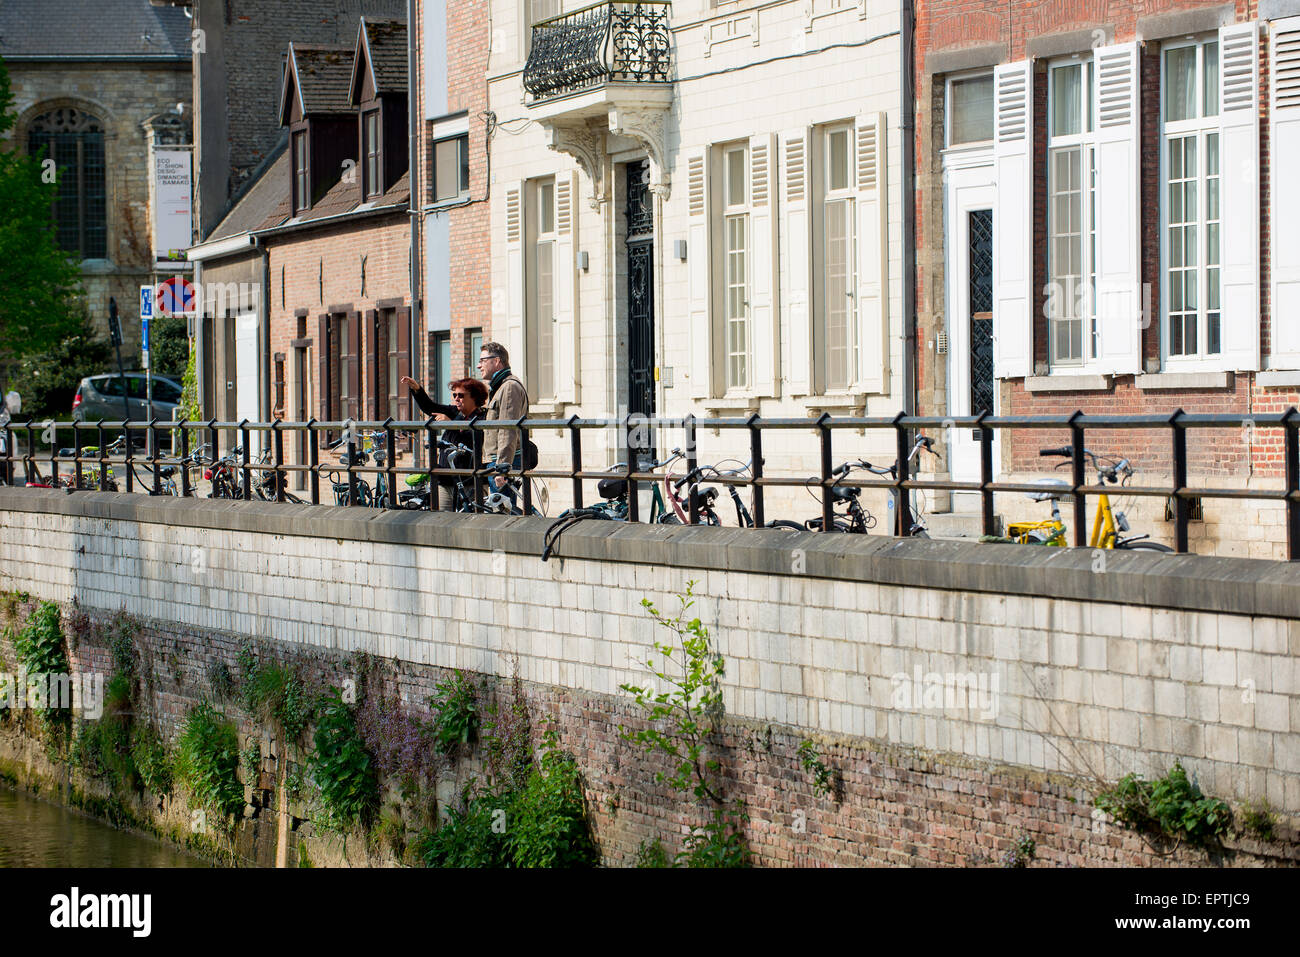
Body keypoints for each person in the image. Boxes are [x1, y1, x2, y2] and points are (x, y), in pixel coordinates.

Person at [401, 375, 487, 510]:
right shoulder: (454, 412)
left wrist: (451, 424)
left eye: (461, 395)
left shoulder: (483, 417)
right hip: (445, 480)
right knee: (442, 519)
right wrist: (417, 389)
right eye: (454, 395)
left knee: (472, 518)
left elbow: (474, 438)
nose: (456, 399)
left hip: (471, 482)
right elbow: (430, 407)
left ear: (474, 397)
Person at [478, 341, 531, 506]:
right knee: (500, 510)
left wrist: (503, 467)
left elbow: (507, 430)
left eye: (482, 360)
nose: (479, 366)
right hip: (497, 460)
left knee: (503, 512)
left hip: (502, 461)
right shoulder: (500, 386)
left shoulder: (509, 387)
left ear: (496, 361)